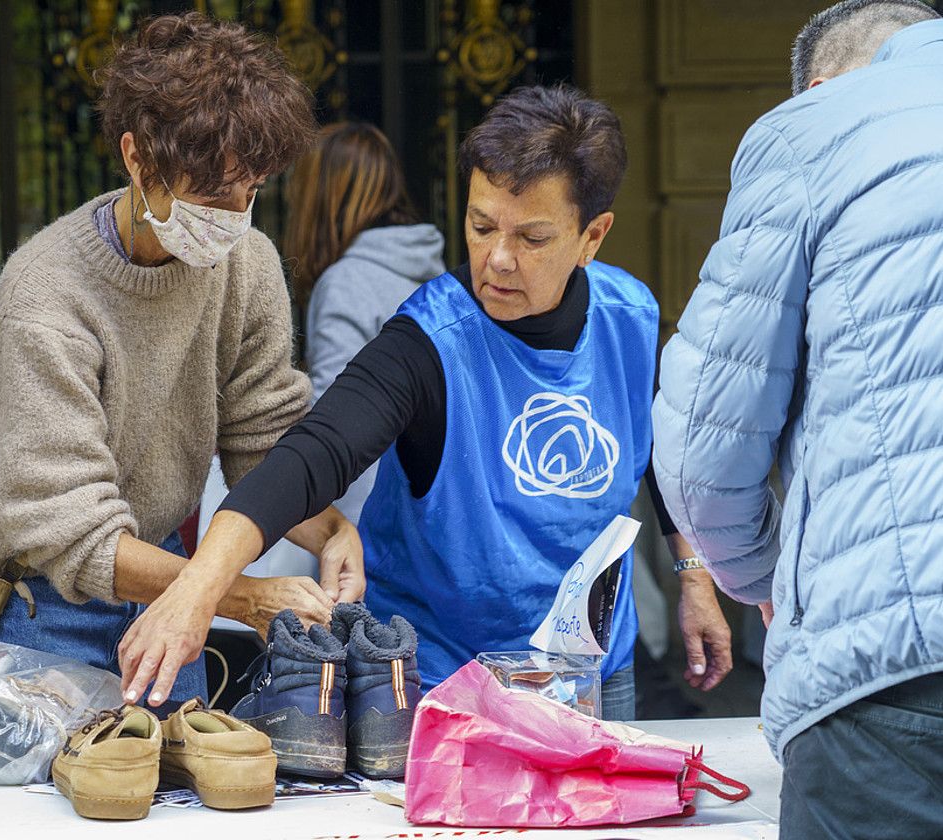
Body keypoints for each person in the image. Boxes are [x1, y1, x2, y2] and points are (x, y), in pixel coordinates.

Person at [122, 85, 733, 718]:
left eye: (532, 238)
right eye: (480, 225)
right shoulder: (430, 339)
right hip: (440, 676)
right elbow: (312, 455)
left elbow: (666, 446)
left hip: (592, 667)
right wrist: (200, 584)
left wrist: (693, 574)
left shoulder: (629, 317)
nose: (496, 259)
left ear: (591, 237)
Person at [0, 12, 364, 709]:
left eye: (250, 191)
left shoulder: (246, 262)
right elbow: (72, 535)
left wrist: (333, 528)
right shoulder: (45, 294)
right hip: (34, 602)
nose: (233, 214)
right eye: (211, 194)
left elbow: (265, 444)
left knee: (180, 802)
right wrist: (237, 595)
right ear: (138, 159)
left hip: (167, 579)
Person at [652, 2, 943, 836]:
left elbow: (703, 441)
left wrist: (768, 579)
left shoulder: (814, 128)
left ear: (819, 88)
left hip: (896, 675)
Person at [285, 122, 445, 527]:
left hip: (367, 529)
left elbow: (335, 424)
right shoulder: (429, 271)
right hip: (427, 513)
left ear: (319, 197)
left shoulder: (346, 282)